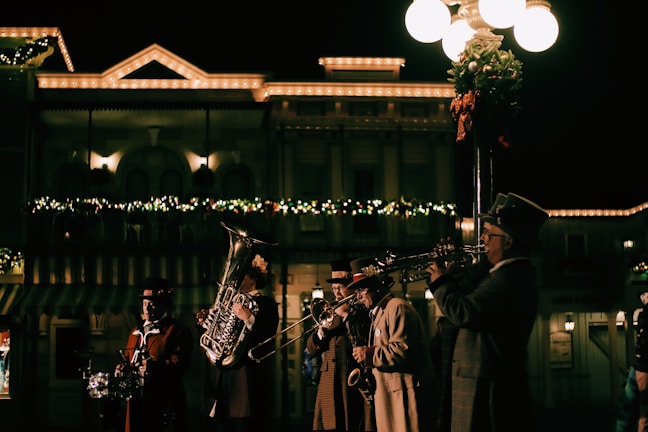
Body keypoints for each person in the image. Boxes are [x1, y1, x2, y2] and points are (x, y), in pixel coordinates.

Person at [427, 192, 549, 432]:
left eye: (489, 234)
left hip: (488, 388)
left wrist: (441, 282)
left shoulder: (510, 277)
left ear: (509, 241)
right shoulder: (502, 274)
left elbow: (465, 311)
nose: (483, 239)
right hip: (481, 382)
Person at [350, 257, 438, 432]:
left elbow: (403, 349)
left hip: (404, 398)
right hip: (390, 398)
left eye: (361, 290)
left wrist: (369, 355)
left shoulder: (397, 307)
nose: (358, 297)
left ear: (376, 287)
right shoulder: (381, 312)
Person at [196, 253, 279, 432]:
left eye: (241, 275)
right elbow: (216, 338)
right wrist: (206, 324)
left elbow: (268, 336)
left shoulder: (266, 304)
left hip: (246, 383)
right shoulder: (229, 303)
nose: (235, 280)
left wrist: (249, 317)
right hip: (223, 383)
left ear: (253, 278)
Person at [115, 277, 194, 432]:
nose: (147, 308)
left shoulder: (176, 330)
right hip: (136, 401)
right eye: (144, 304)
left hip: (164, 400)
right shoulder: (135, 332)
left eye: (152, 303)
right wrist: (122, 368)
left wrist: (155, 367)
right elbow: (128, 359)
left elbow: (180, 363)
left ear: (163, 305)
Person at [306, 257, 375, 432]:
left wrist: (346, 316)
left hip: (351, 380)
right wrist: (322, 330)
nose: (336, 293)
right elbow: (311, 349)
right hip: (329, 382)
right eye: (334, 288)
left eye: (340, 287)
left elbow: (364, 338)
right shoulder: (330, 311)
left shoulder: (363, 310)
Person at [615, 291, 648, 432]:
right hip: (640, 366)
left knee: (642, 414)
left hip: (643, 367)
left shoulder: (645, 314)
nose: (643, 298)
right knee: (638, 413)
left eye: (646, 295)